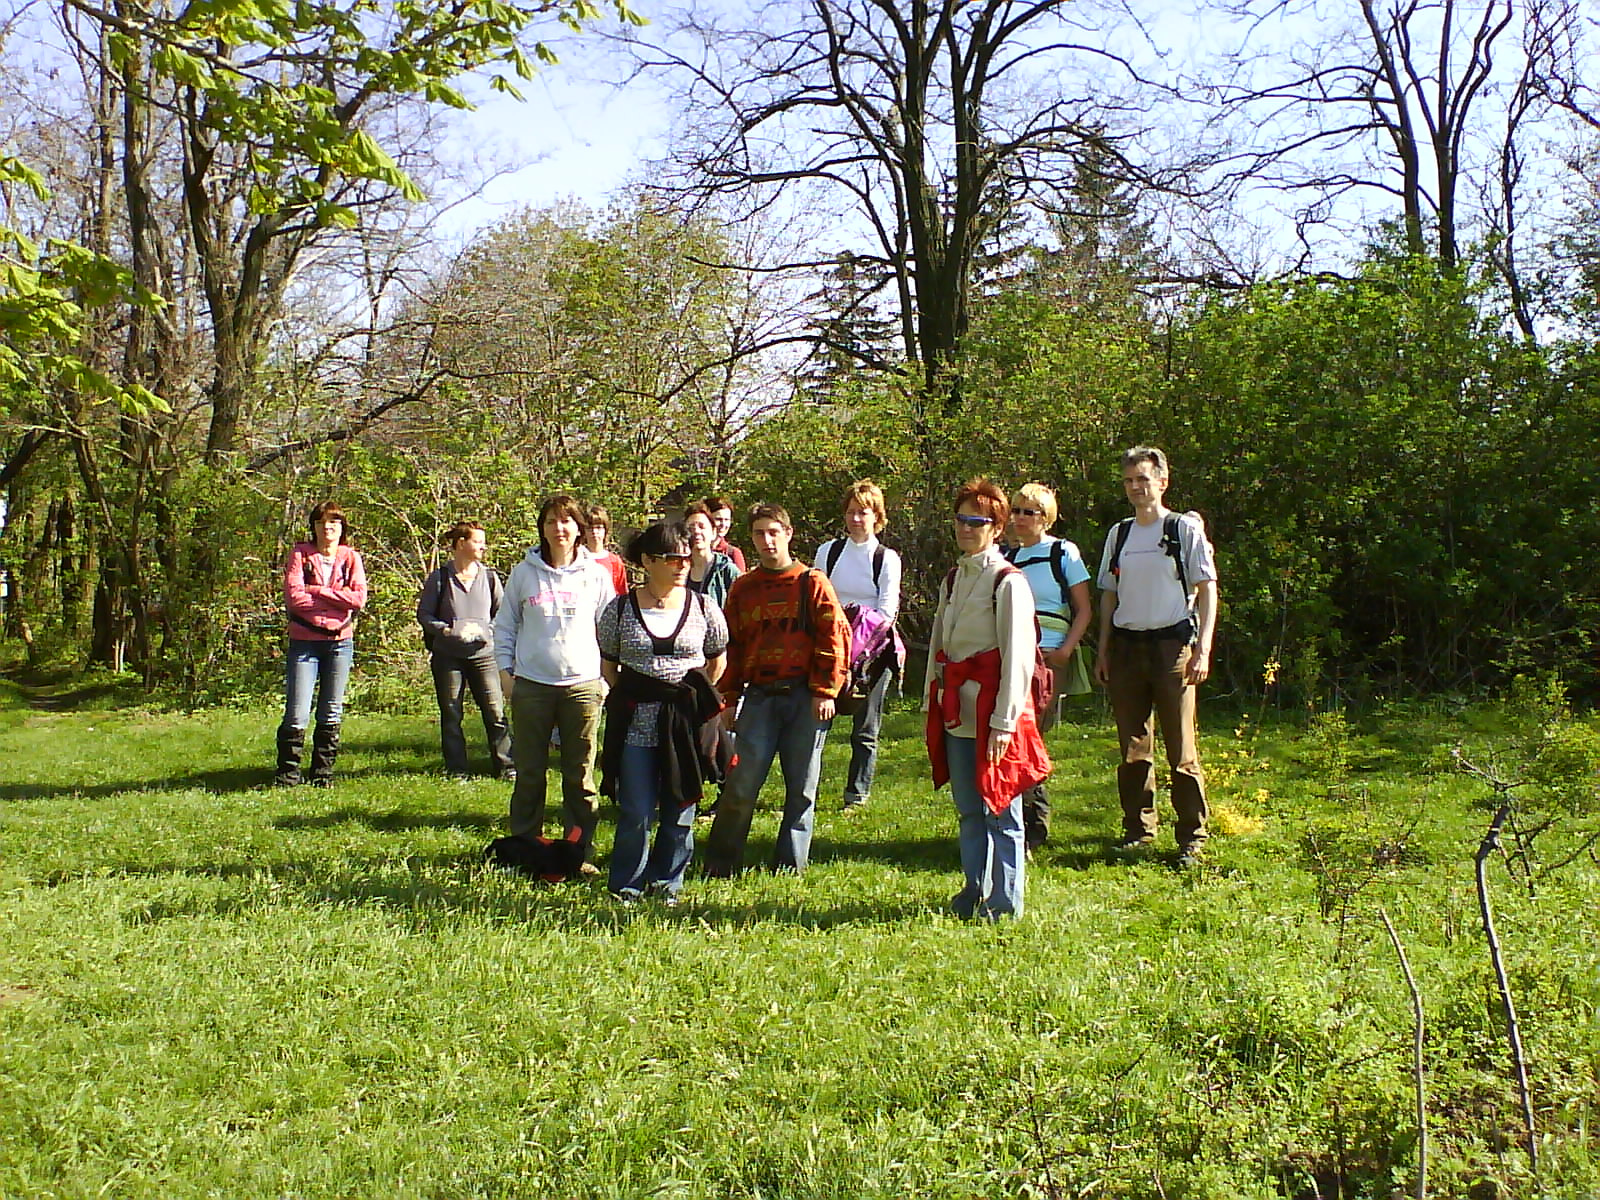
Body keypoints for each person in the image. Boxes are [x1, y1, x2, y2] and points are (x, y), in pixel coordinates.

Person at [924, 479, 1050, 920]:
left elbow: (1017, 657)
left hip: (991, 712)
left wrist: (1003, 723)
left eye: (975, 521)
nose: (965, 528)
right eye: (960, 518)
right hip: (956, 709)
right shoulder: (955, 577)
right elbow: (941, 642)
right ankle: (973, 889)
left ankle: (1004, 902)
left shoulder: (1007, 582)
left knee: (1002, 809)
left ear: (995, 528)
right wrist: (931, 702)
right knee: (968, 809)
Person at [702, 503, 850, 876]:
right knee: (741, 783)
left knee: (802, 788)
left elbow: (834, 638)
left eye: (773, 532)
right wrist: (729, 697)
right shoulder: (744, 588)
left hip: (805, 697)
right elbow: (733, 646)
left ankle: (790, 865)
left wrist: (825, 691)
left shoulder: (811, 582)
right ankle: (721, 863)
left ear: (788, 534)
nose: (766, 541)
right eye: (758, 533)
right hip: (760, 696)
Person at [1093, 446, 1218, 869]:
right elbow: (1108, 595)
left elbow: (1207, 590)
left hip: (1172, 648)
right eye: (1129, 481)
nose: (1136, 488)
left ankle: (1192, 838)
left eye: (1143, 479)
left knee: (1180, 749)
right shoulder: (1120, 534)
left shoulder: (1183, 530)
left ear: (1162, 482)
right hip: (1127, 648)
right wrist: (1104, 649)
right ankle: (1139, 831)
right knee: (1132, 748)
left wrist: (1203, 649)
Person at [596, 522, 728, 905]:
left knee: (681, 805)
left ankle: (667, 884)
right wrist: (637, 694)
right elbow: (610, 666)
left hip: (685, 723)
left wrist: (690, 696)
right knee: (636, 808)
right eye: (671, 558)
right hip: (635, 721)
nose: (681, 565)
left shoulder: (704, 607)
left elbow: (717, 660)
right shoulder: (619, 610)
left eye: (685, 557)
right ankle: (627, 886)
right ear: (648, 561)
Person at [494, 494, 615, 871]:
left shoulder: (595, 574)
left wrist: (606, 681)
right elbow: (505, 625)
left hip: (582, 687)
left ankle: (578, 852)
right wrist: (505, 675)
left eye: (566, 521)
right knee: (529, 773)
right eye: (551, 522)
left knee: (579, 775)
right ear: (542, 529)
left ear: (579, 528)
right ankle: (526, 849)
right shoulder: (524, 573)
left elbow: (610, 631)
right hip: (531, 686)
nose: (558, 529)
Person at [1004, 482, 1093, 852]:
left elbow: (1085, 609)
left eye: (1030, 512)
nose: (1021, 518)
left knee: (1032, 736)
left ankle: (1034, 825)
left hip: (1049, 655)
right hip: (1012, 655)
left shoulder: (1063, 553)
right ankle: (1011, 821)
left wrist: (1065, 652)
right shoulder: (1005, 555)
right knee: (1010, 734)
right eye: (1017, 511)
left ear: (1046, 517)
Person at [815, 479, 903, 811]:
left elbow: (886, 611)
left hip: (873, 653)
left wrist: (857, 646)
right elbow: (818, 598)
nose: (856, 519)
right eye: (851, 512)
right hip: (830, 647)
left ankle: (856, 794)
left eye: (863, 513)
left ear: (877, 516)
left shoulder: (887, 559)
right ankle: (806, 791)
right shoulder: (829, 552)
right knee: (816, 724)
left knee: (865, 730)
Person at [276, 501, 367, 788]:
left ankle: (322, 774)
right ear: (313, 527)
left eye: (334, 523)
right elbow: (295, 598)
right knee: (297, 709)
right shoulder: (300, 555)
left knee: (331, 708)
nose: (327, 528)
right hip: (305, 643)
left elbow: (358, 599)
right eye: (321, 523)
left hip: (341, 643)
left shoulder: (351, 557)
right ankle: (288, 774)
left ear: (342, 528)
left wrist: (317, 590)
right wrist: (334, 596)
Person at [416, 521, 515, 781]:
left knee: (495, 711)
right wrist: (445, 630)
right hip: (448, 657)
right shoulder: (440, 578)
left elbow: (503, 614)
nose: (483, 546)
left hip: (485, 657)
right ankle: (457, 769)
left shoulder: (490, 577)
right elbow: (424, 614)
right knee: (451, 712)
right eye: (477, 541)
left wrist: (488, 630)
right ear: (461, 544)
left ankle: (507, 766)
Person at [684, 501, 741, 606]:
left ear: (713, 532)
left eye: (702, 526)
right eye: (691, 527)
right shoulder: (679, 570)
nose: (696, 531)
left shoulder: (727, 571)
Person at [583, 504, 629, 596]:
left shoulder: (614, 561)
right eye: (589, 528)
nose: (594, 532)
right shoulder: (576, 558)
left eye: (598, 527)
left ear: (605, 530)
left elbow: (621, 593)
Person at [701, 495, 748, 571]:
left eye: (726, 520)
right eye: (718, 519)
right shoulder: (692, 550)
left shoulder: (733, 553)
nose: (723, 524)